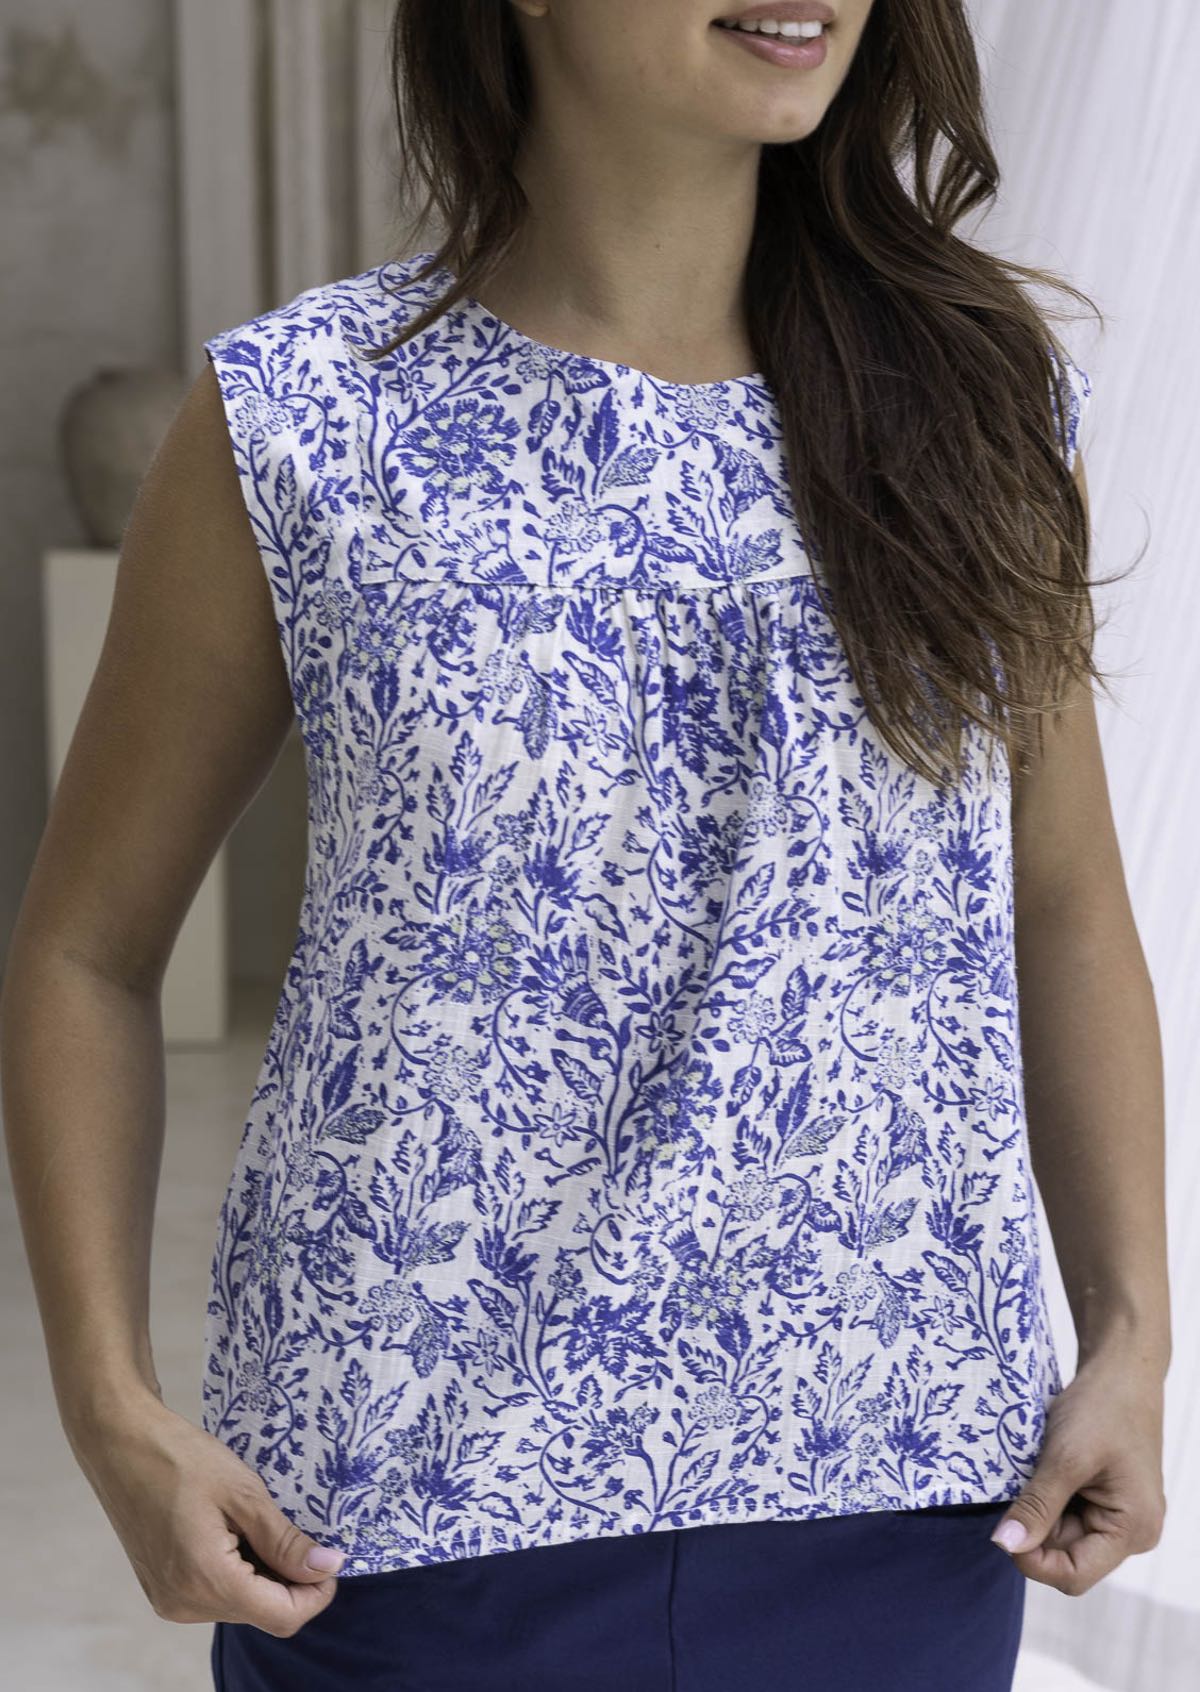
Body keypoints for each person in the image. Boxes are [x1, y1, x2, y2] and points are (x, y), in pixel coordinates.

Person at [0, 1, 1171, 1689]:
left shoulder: (980, 409)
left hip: (894, 1482)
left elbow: (1062, 911)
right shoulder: (302, 422)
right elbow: (87, 951)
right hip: (405, 1514)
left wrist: (1130, 1336)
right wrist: (109, 1409)